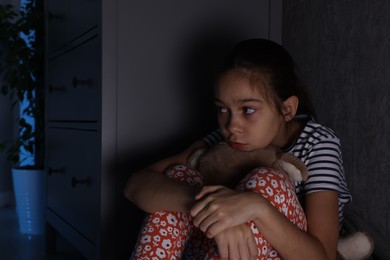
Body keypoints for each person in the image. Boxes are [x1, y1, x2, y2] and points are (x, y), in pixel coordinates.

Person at [124, 38, 351, 259]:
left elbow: (324, 256)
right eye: (222, 109)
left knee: (266, 181)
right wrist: (213, 208)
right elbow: (136, 184)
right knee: (179, 177)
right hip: (219, 248)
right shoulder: (225, 140)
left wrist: (256, 208)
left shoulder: (319, 144)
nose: (232, 126)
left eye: (248, 110)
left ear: (288, 109)